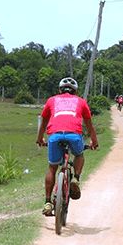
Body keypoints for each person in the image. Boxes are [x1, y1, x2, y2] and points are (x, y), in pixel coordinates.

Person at [36, 77, 99, 216]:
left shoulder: (52, 100)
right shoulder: (81, 102)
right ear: (75, 91)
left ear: (60, 90)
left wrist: (40, 139)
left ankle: (47, 202)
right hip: (74, 136)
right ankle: (75, 177)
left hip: (54, 136)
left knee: (52, 168)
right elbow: (89, 125)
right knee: (79, 154)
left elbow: (44, 122)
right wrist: (94, 142)